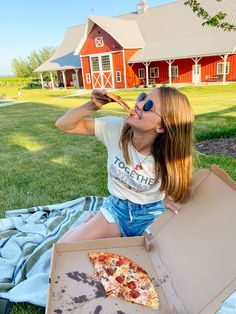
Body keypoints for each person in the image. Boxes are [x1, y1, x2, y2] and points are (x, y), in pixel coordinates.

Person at [55, 87, 194, 243]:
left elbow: (176, 184)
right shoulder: (115, 129)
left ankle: (102, 229)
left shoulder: (169, 155)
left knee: (160, 258)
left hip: (151, 216)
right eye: (142, 97)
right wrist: (93, 105)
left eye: (148, 106)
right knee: (65, 246)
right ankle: (97, 226)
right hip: (116, 211)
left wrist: (169, 199)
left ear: (161, 126)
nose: (139, 104)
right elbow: (63, 124)